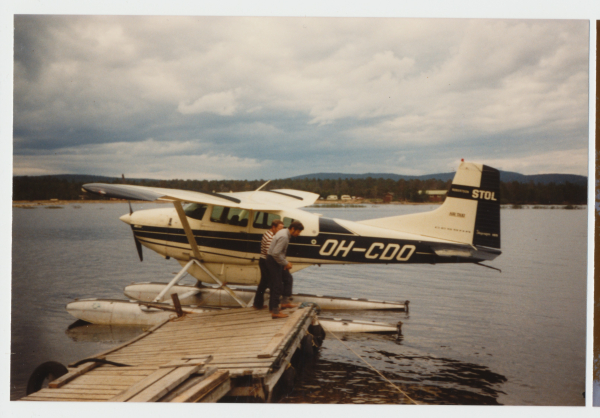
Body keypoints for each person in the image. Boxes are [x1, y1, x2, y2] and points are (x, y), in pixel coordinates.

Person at [266, 221, 304, 318]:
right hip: (273, 260)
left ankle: (284, 302)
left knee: (288, 278)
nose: (298, 234)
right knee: (277, 285)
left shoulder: (284, 232)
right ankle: (275, 312)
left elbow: (279, 253)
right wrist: (285, 263)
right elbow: (275, 253)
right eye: (298, 231)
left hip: (277, 260)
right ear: (292, 229)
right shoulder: (284, 236)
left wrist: (283, 262)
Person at [253, 219, 284, 310]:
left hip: (262, 260)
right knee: (273, 284)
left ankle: (257, 304)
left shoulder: (267, 233)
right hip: (267, 262)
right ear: (273, 227)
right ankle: (273, 307)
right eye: (279, 229)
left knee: (263, 283)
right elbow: (269, 253)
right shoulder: (271, 237)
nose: (281, 231)